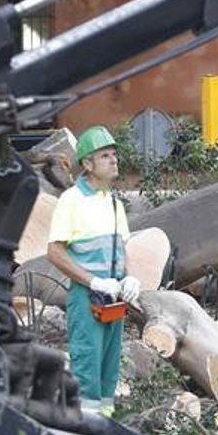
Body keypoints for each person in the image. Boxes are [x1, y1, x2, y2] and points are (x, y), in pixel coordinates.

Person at [47, 126, 141, 416]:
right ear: (87, 164)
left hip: (113, 298)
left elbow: (122, 248)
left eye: (114, 154)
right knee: (87, 368)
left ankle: (106, 423)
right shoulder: (71, 201)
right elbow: (55, 252)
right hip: (87, 298)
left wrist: (130, 277)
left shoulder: (113, 202)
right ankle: (85, 427)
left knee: (109, 371)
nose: (114, 160)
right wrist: (94, 281)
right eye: (105, 156)